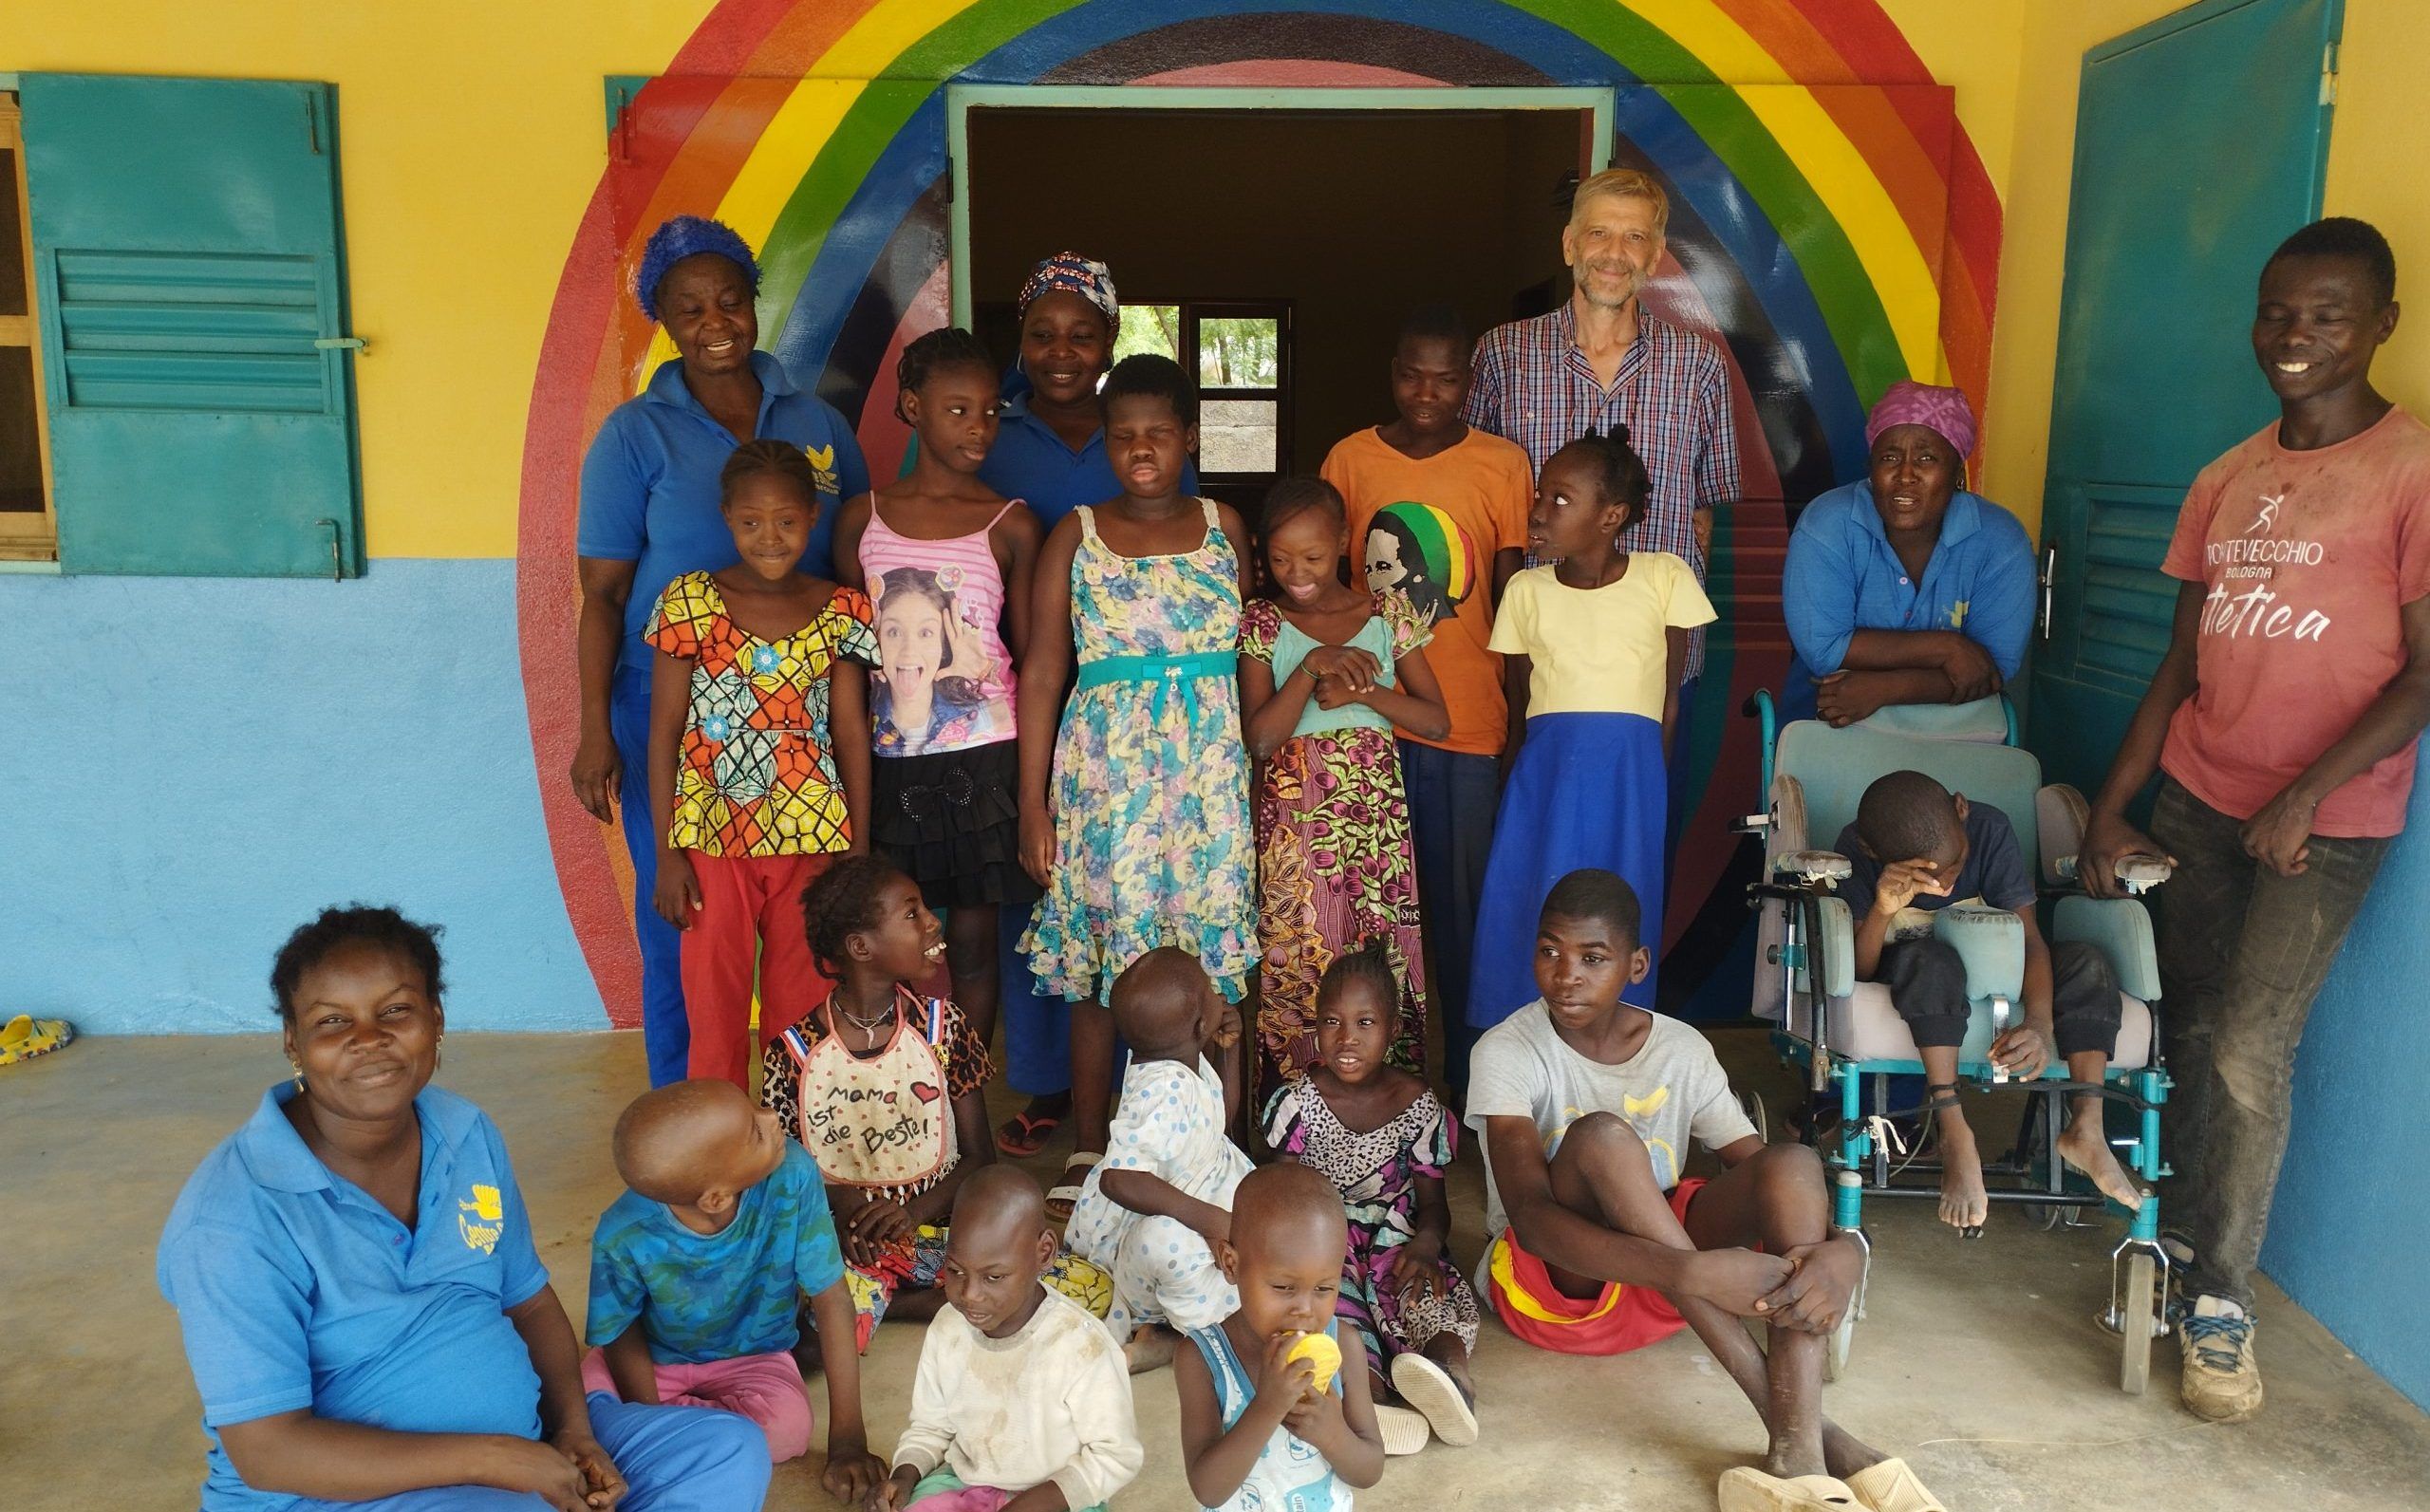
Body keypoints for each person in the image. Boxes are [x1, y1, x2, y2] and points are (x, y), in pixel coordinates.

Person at [2079, 216, 2430, 1424]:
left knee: (2246, 1049)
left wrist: (2303, 797)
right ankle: (2175, 1245)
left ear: (2381, 325)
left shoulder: (2410, 470)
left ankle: (2220, 1305)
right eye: (2278, 312)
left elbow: (2424, 674)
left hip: (2323, 826)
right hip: (2198, 798)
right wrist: (2112, 807)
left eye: (2327, 316)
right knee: (2184, 1030)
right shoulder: (2225, 477)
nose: (2295, 335)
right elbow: (2179, 663)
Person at [158, 906, 772, 1511]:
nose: (368, 1039)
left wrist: (572, 1431)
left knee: (725, 1450)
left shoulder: (463, 1132)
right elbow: (268, 1451)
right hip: (335, 1495)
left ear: (436, 1020)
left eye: (395, 1010)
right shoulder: (232, 1218)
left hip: (525, 1450)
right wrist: (495, 1460)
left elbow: (529, 1302)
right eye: (332, 1021)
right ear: (294, 1042)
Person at [1467, 871, 1946, 1512]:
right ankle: (1808, 1441)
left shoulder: (1680, 1047)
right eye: (1549, 951)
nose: (1566, 975)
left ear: (1637, 965)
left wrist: (1846, 1248)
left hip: (1671, 1287)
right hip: (1564, 1286)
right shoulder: (1506, 1048)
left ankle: (1797, 1453)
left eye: (1592, 957)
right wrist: (1689, 1270)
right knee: (1603, 1138)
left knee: (1793, 1161)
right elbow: (1530, 1220)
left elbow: (1770, 1177)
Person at [575, 214, 872, 1088]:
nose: (715, 322)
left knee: (802, 925)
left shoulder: (816, 420)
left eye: (730, 300)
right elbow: (601, 594)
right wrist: (594, 728)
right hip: (668, 705)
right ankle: (687, 1107)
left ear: (753, 302)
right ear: (666, 321)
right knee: (685, 915)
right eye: (690, 308)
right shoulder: (635, 433)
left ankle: (798, 1103)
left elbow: (859, 545)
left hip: (801, 712)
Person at [1017, 355, 1259, 1215]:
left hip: (1208, 779)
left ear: (1190, 437)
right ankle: (1092, 1142)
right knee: (1100, 964)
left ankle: (1215, 1144)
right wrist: (1033, 803)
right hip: (1105, 784)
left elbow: (1254, 654)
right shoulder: (1075, 535)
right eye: (1123, 436)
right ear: (1106, 444)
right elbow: (1042, 670)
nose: (1142, 450)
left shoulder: (1225, 527)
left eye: (1159, 433)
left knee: (1214, 965)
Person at [978, 252, 1200, 1161]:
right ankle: (1052, 1088)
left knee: (1163, 910)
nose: (1061, 351)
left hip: (1171, 728)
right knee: (1056, 905)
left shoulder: (1158, 451)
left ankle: (1166, 1096)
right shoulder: (989, 429)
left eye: (1081, 334)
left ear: (1110, 340)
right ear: (1020, 341)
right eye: (1042, 334)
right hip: (1027, 696)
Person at [761, 855, 1109, 1345]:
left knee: (1089, 1287)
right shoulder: (795, 1053)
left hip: (942, 1241)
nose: (931, 922)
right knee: (810, 1334)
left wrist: (914, 1213)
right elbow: (784, 1174)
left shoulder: (944, 1029)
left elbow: (980, 1158)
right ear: (861, 947)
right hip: (848, 1244)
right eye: (912, 913)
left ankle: (904, 1299)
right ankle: (933, 1300)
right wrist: (843, 1205)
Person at [1322, 306, 1533, 1109]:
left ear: (1470, 384)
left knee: (1462, 916)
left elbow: (1513, 599)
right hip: (1368, 723)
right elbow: (1327, 584)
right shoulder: (1350, 458)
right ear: (1393, 373)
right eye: (1412, 375)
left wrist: (1518, 718)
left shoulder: (1502, 464)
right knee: (1369, 912)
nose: (1426, 393)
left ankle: (1474, 1085)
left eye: (1445, 379)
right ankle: (1376, 1087)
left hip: (1469, 723)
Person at [1465, 168, 1738, 730]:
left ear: (1655, 255)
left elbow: (1703, 513)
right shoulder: (1504, 355)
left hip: (1652, 657)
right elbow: (1472, 501)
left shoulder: (1698, 365)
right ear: (1569, 244)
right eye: (1598, 234)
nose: (1615, 253)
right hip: (1538, 654)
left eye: (1635, 237)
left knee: (1647, 788)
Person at [645, 439, 878, 1088]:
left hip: (813, 834)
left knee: (803, 1001)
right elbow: (664, 733)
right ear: (727, 518)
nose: (769, 537)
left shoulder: (842, 609)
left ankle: (794, 1129)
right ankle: (720, 1131)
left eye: (786, 520)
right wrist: (667, 852)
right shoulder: (690, 602)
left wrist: (858, 847)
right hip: (711, 837)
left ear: (812, 517)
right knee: (712, 999)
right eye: (750, 521)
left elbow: (850, 731)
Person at [834, 328, 1042, 1050]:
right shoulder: (861, 520)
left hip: (985, 763)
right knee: (895, 944)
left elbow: (1028, 658)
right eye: (958, 411)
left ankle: (963, 1081)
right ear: (911, 407)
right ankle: (904, 1080)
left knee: (974, 946)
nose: (979, 427)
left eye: (990, 411)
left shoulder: (1011, 524)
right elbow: (846, 659)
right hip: (891, 764)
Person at [1467, 427, 1714, 1031]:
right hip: (1545, 780)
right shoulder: (1525, 590)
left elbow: (1669, 704)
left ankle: (1615, 1042)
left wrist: (1648, 788)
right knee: (1532, 897)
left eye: (1560, 500)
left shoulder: (1665, 576)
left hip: (1630, 779)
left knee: (1622, 904)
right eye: (1539, 496)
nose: (1538, 512)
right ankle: (1519, 1040)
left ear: (1611, 516)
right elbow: (1520, 703)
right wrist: (1510, 793)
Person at [1838, 771, 2140, 1230]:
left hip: (2000, 965)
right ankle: (1954, 1131)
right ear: (1873, 852)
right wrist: (1882, 908)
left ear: (1961, 808)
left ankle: (2087, 1126)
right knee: (1930, 960)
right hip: (1921, 972)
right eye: (1927, 877)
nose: (1947, 883)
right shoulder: (1858, 847)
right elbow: (1858, 973)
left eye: (1957, 864)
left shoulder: (1989, 828)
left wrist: (2038, 1023)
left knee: (2086, 963)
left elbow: (2030, 940)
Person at [1240, 476, 1448, 1106]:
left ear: (1342, 542)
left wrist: (1365, 691)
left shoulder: (1386, 614)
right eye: (1280, 559)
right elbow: (1260, 738)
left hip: (1376, 831)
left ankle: (1388, 1112)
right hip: (1297, 832)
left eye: (1311, 556)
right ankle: (1297, 1115)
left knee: (1380, 960)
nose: (1296, 573)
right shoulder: (1263, 622)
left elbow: (1436, 720)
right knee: (1300, 955)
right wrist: (1311, 666)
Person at [582, 1079, 885, 1499]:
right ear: (715, 1198)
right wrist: (651, 1420)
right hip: (653, 1362)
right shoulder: (622, 1232)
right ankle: (695, 1433)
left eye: (754, 1107)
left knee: (789, 1430)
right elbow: (620, 1330)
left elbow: (831, 1297)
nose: (772, 1118)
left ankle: (684, 1436)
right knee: (573, 1409)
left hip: (754, 1358)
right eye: (755, 1132)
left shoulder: (793, 1174)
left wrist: (848, 1440)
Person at [1263, 943, 1480, 1450]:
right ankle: (1372, 1400)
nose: (1346, 1039)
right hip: (1324, 1243)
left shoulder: (1417, 1105)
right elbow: (1285, 1199)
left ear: (1393, 1029)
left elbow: (1434, 1206)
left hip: (1397, 1238)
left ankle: (1451, 1378)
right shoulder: (1298, 1103)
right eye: (1332, 1022)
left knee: (1427, 1297)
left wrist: (1425, 1246)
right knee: (1337, 1315)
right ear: (1315, 1025)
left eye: (1365, 1023)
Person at [870, 1167, 1143, 1512]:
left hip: (1055, 1497)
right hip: (966, 1483)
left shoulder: (1081, 1346)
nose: (970, 1294)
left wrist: (1031, 1505)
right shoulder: (948, 1328)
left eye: (994, 1277)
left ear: (1044, 1252)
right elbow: (930, 1426)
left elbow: (1116, 1456)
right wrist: (904, 1476)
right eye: (955, 1271)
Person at [1781, 382, 2035, 726]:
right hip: (1828, 723)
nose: (1905, 475)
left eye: (1926, 458)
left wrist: (1884, 689)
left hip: (1956, 735)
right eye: (1890, 457)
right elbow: (1825, 650)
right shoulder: (1828, 524)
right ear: (1871, 470)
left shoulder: (2000, 541)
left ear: (1957, 473)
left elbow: (1991, 669)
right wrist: (1949, 649)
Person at [1064, 948, 1253, 1374]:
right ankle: (1209, 1339)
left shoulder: (1179, 1057)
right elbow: (1118, 1178)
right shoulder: (1164, 1089)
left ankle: (1167, 1338)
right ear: (1200, 1025)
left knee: (1261, 1238)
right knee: (1198, 1256)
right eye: (1211, 990)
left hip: (1195, 1200)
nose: (1218, 993)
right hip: (1143, 1256)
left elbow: (1218, 1117)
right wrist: (1209, 1220)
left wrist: (1230, 1049)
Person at [1174, 1163, 1388, 1511]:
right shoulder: (1201, 1359)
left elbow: (1370, 1470)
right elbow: (1208, 1490)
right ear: (1230, 1263)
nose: (1305, 1309)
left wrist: (1332, 1433)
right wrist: (1268, 1406)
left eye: (1324, 1288)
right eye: (1284, 1287)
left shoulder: (1344, 1346)